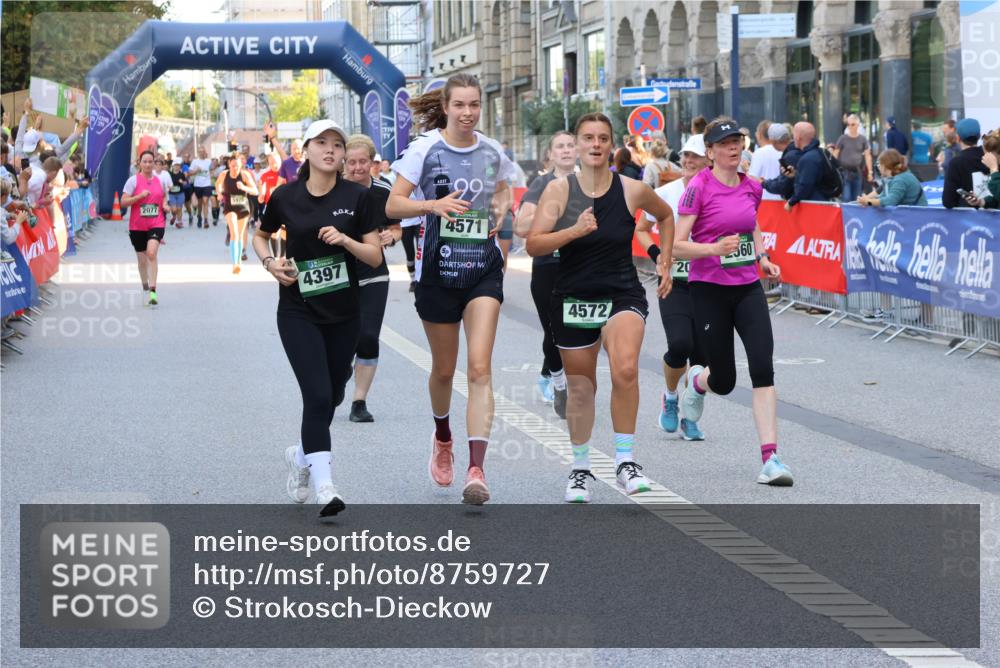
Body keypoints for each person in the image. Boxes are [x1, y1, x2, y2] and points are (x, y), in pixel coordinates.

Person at [526, 112, 673, 503]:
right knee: (581, 388)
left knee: (625, 368)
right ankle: (579, 468)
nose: (595, 144)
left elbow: (666, 215)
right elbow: (534, 244)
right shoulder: (559, 191)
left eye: (602, 138)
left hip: (622, 293)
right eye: (587, 138)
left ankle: (625, 462)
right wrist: (573, 231)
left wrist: (665, 260)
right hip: (573, 297)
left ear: (612, 145)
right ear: (576, 144)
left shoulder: (631, 189)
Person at [386, 73, 515, 506]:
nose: (467, 113)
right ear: (445, 107)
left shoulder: (492, 150)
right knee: (444, 370)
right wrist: (432, 205)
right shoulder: (424, 150)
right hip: (437, 272)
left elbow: (502, 193)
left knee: (479, 368)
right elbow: (393, 204)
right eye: (459, 105)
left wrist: (500, 214)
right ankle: (443, 437)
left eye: (474, 105)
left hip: (482, 269)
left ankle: (476, 469)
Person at [253, 119, 383, 519]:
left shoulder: (358, 198)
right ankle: (326, 485)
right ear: (305, 150)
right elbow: (260, 235)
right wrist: (271, 262)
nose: (330, 149)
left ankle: (301, 456)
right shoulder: (285, 196)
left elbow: (375, 256)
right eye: (321, 142)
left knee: (334, 393)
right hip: (298, 309)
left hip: (344, 312)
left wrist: (346, 240)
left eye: (337, 144)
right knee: (319, 395)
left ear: (344, 155)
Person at [672, 117, 791, 486]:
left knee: (763, 368)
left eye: (737, 141)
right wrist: (712, 248)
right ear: (710, 152)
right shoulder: (698, 188)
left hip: (747, 288)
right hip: (708, 289)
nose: (733, 148)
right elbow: (676, 245)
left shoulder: (750, 187)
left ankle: (770, 458)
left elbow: (751, 226)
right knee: (723, 380)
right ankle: (696, 382)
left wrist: (762, 257)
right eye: (725, 143)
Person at [636, 134, 710, 441]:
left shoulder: (718, 193)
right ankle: (670, 396)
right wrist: (659, 257)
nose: (689, 161)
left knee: (704, 358)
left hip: (710, 284)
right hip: (675, 282)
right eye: (686, 156)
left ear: (710, 160)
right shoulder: (666, 192)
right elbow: (641, 230)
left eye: (696, 156)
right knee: (680, 345)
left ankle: (690, 417)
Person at [514, 130, 576, 416]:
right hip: (548, 266)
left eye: (571, 145)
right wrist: (554, 220)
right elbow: (521, 226)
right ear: (550, 154)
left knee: (577, 329)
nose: (566, 150)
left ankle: (548, 372)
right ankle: (556, 379)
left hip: (581, 267)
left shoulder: (589, 182)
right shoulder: (542, 183)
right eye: (559, 146)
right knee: (553, 329)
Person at [342, 134, 402, 423]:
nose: (357, 168)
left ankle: (359, 401)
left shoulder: (382, 191)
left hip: (373, 272)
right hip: (339, 275)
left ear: (372, 162)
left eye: (362, 162)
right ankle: (340, 374)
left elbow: (396, 228)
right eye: (351, 162)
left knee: (368, 335)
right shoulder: (333, 190)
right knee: (341, 337)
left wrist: (392, 235)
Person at [120, 150, 168, 306]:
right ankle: (145, 287)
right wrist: (139, 197)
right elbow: (123, 202)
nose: (148, 164)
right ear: (139, 163)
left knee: (151, 253)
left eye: (150, 162)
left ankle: (153, 291)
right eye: (145, 162)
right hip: (137, 226)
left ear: (154, 163)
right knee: (142, 261)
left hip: (156, 223)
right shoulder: (132, 181)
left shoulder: (160, 180)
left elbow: (163, 197)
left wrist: (165, 205)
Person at [215, 153, 258, 274]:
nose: (235, 168)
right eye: (233, 166)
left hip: (243, 207)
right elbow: (218, 184)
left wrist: (244, 187)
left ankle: (238, 260)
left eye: (238, 166)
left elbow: (255, 191)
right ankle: (235, 264)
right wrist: (219, 193)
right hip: (230, 207)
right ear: (229, 164)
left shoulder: (244, 175)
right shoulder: (224, 174)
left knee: (239, 235)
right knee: (234, 233)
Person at [785, 122, 833, 210]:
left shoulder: (808, 158)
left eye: (794, 135)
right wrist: (795, 175)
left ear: (798, 137)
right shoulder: (818, 152)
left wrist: (791, 202)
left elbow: (805, 186)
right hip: (822, 202)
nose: (793, 138)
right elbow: (814, 178)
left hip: (815, 206)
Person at [943, 118, 988, 209]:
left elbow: (948, 201)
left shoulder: (956, 163)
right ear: (979, 136)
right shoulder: (991, 157)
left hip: (968, 219)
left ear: (958, 138)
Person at [857, 149, 928, 207]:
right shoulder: (893, 178)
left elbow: (891, 200)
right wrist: (865, 200)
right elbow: (882, 194)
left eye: (879, 164)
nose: (878, 167)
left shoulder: (900, 179)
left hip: (918, 215)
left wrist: (868, 202)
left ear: (885, 165)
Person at [832, 114, 873, 202]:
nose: (850, 126)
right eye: (848, 124)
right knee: (846, 197)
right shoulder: (842, 138)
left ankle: (854, 216)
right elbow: (835, 154)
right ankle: (846, 215)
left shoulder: (862, 139)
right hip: (844, 172)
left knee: (856, 197)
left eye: (853, 124)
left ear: (858, 125)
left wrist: (870, 172)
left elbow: (867, 156)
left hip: (857, 171)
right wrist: (833, 170)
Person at [257, 152, 286, 257]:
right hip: (272, 207)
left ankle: (282, 256)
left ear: (280, 161)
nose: (275, 164)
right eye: (272, 162)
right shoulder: (265, 175)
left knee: (284, 233)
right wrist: (261, 195)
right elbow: (262, 188)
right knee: (274, 233)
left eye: (276, 162)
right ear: (269, 162)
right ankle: (276, 256)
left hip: (285, 207)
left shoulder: (284, 173)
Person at [962, 131, 1000, 209]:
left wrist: (994, 169)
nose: (986, 157)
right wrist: (981, 202)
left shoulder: (995, 169)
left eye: (991, 155)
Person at [748, 121, 783, 201]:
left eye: (756, 132)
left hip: (764, 201)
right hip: (782, 201)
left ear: (759, 135)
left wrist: (746, 170)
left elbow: (752, 179)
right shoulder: (783, 151)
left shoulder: (759, 153)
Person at [188, 147, 214, 228]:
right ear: (198, 153)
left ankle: (206, 220)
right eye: (200, 152)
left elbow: (212, 170)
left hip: (207, 184)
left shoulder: (209, 161)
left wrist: (212, 172)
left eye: (203, 152)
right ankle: (199, 216)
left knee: (205, 201)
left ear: (205, 152)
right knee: (199, 203)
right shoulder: (195, 161)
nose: (201, 153)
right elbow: (189, 173)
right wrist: (196, 171)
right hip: (198, 185)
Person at [167, 160, 187, 227]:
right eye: (175, 165)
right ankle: (174, 216)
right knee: (174, 209)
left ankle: (179, 222)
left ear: (180, 167)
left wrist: (182, 182)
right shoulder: (169, 174)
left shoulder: (182, 174)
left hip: (180, 193)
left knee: (179, 208)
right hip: (171, 194)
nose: (177, 167)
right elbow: (166, 182)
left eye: (178, 165)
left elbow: (186, 183)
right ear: (173, 166)